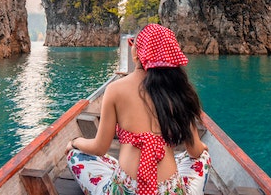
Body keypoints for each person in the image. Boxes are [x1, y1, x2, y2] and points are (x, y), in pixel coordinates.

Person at [66, 23, 211, 195]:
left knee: (75, 156)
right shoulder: (180, 91)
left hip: (125, 189)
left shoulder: (115, 89)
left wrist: (75, 142)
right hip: (169, 190)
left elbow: (99, 148)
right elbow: (194, 151)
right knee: (202, 158)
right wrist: (203, 147)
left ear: (136, 52)